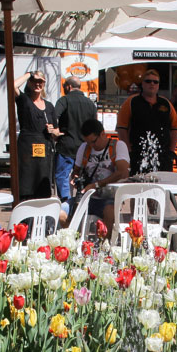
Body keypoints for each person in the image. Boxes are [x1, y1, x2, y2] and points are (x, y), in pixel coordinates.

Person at [68, 118, 129, 238]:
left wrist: (97, 185)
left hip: (109, 197)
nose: (91, 145)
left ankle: (105, 247)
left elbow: (122, 172)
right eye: (88, 142)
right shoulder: (84, 148)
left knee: (109, 211)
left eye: (94, 141)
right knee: (63, 213)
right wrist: (75, 179)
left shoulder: (117, 146)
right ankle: (71, 245)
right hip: (87, 196)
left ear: (102, 134)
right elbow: (76, 171)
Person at [116, 69, 177, 175]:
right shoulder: (132, 102)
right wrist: (129, 151)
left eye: (155, 82)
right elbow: (122, 128)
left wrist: (171, 152)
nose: (152, 84)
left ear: (158, 85)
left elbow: (175, 129)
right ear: (142, 84)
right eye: (148, 81)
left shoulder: (166, 104)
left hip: (162, 156)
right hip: (138, 154)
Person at [13, 71, 59, 199]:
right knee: (26, 185)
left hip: (44, 149)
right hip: (27, 149)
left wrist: (53, 132)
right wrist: (29, 74)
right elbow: (13, 85)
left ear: (44, 84)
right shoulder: (24, 100)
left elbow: (56, 131)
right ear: (30, 83)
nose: (38, 84)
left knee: (42, 189)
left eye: (41, 81)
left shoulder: (49, 106)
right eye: (35, 81)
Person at [53, 77, 97, 204]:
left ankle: (66, 203)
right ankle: (81, 201)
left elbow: (54, 115)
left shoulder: (64, 100)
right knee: (83, 176)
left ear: (68, 87)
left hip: (66, 145)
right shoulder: (90, 104)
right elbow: (95, 125)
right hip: (85, 147)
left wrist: (56, 131)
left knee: (62, 176)